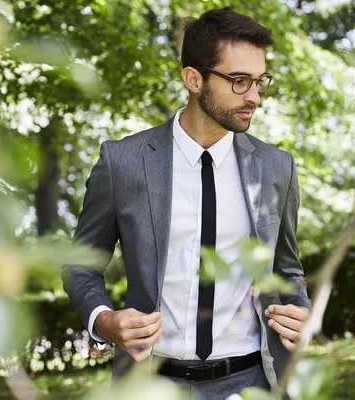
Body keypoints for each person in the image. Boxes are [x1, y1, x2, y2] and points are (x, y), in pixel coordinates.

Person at [63, 7, 310, 399]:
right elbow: (80, 265)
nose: (255, 97)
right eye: (240, 81)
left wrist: (300, 313)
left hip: (251, 383)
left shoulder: (277, 168)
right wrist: (104, 320)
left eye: (260, 81)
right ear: (194, 79)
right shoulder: (123, 163)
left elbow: (288, 269)